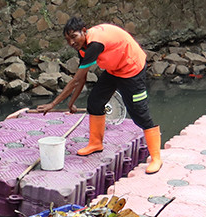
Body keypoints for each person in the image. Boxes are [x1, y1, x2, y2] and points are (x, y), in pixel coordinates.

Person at [33, 17, 164, 174]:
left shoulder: (94, 44)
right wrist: (71, 103)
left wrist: (52, 104)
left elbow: (75, 80)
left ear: (84, 31)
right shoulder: (83, 47)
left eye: (73, 37)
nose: (71, 43)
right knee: (95, 102)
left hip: (132, 70)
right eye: (68, 40)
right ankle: (96, 143)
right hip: (114, 69)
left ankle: (156, 157)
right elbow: (82, 77)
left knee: (139, 113)